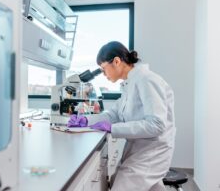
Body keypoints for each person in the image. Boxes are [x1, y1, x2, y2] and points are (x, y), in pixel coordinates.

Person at [68, 41, 176, 191]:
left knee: (121, 185)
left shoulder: (147, 80)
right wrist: (86, 120)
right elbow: (114, 114)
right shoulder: (129, 84)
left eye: (103, 69)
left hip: (151, 153)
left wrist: (113, 128)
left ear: (117, 61)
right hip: (138, 149)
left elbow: (156, 125)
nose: (104, 74)